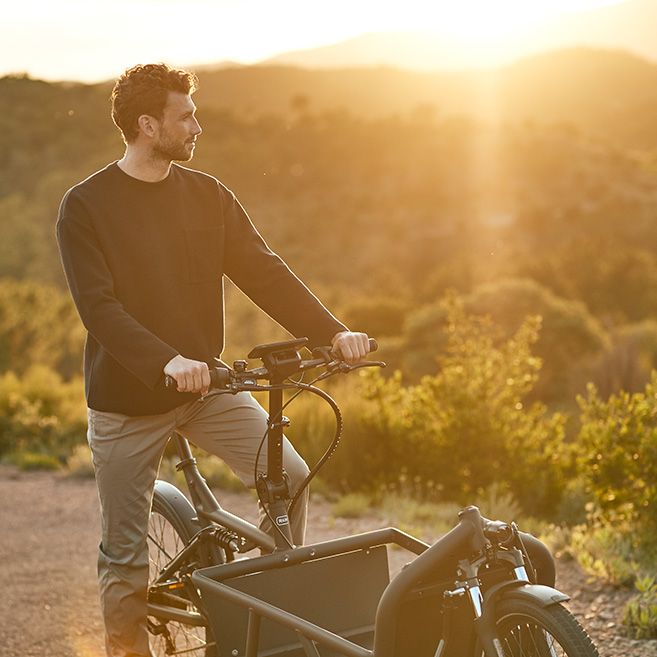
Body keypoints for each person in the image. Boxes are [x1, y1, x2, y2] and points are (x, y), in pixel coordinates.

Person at [56, 63, 370, 657]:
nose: (198, 126)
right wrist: (166, 361)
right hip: (128, 404)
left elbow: (265, 273)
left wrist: (332, 334)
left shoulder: (208, 196)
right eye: (186, 116)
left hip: (207, 391)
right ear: (148, 125)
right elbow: (99, 309)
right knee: (124, 558)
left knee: (292, 481)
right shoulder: (86, 206)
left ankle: (269, 626)